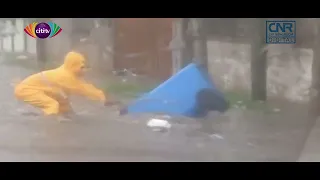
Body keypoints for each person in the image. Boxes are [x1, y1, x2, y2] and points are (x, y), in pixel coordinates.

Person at [14, 51, 119, 120]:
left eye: (84, 66)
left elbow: (84, 85)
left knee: (65, 106)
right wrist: (103, 98)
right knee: (52, 105)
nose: (84, 70)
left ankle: (57, 118)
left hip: (34, 88)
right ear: (73, 65)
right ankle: (49, 125)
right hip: (25, 90)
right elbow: (84, 89)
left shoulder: (69, 73)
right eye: (81, 67)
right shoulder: (65, 76)